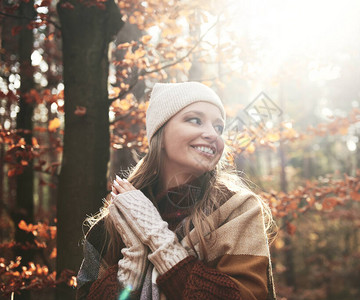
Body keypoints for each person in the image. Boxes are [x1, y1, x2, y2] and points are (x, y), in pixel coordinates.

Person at [76, 82, 276, 300]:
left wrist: (157, 236)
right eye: (195, 120)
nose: (213, 134)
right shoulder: (111, 226)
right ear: (160, 135)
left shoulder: (237, 210)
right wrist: (133, 260)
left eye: (219, 128)